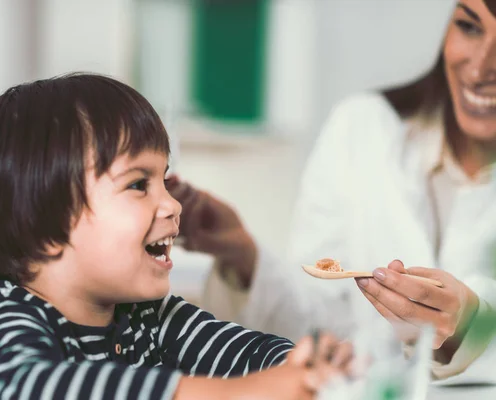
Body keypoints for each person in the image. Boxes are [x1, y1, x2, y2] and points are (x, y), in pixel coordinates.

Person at [0, 74, 352, 399]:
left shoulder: (149, 319)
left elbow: (246, 354)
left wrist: (305, 367)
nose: (173, 205)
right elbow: (38, 388)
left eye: (165, 181)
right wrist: (234, 395)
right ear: (43, 226)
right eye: (139, 184)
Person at [170, 0, 496, 384]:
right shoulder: (360, 130)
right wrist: (242, 254)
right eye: (469, 27)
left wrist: (472, 328)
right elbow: (320, 326)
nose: (479, 67)